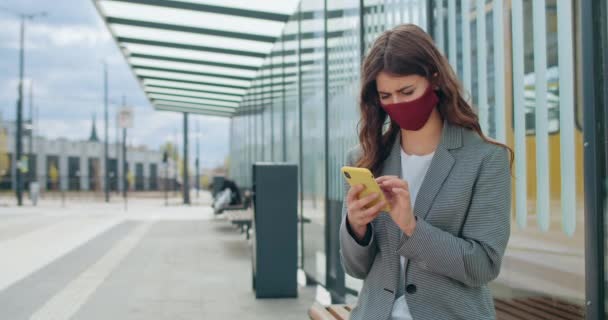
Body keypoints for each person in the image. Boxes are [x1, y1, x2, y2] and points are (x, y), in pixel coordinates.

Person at [340, 24, 513, 320]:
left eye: (407, 91)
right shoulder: (365, 159)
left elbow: (483, 266)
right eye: (386, 96)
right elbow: (355, 268)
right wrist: (356, 229)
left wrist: (412, 227)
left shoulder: (486, 159)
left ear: (434, 78)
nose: (397, 104)